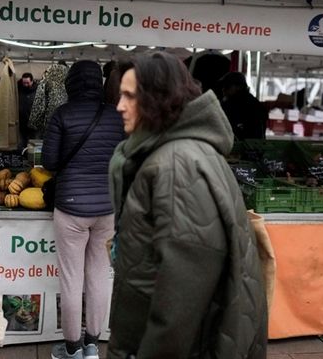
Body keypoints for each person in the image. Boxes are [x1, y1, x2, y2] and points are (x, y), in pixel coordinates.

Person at [108, 52, 267, 358]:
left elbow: (181, 300)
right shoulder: (180, 152)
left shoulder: (176, 164)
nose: (120, 106)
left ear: (157, 99)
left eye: (129, 96)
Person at [42, 60, 125, 359]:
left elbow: (49, 162)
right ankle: (93, 344)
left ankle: (72, 348)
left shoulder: (62, 114)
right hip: (107, 208)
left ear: (70, 84)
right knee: (100, 276)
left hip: (71, 208)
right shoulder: (117, 116)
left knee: (71, 278)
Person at [218, 71, 267, 140]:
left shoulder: (233, 105)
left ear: (239, 87)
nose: (224, 89)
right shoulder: (255, 104)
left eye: (227, 86)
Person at [17, 72, 38, 148]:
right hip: (21, 123)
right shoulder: (18, 89)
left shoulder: (37, 91)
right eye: (24, 83)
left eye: (27, 83)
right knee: (21, 144)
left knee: (32, 146)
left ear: (32, 81)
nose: (25, 84)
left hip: (33, 124)